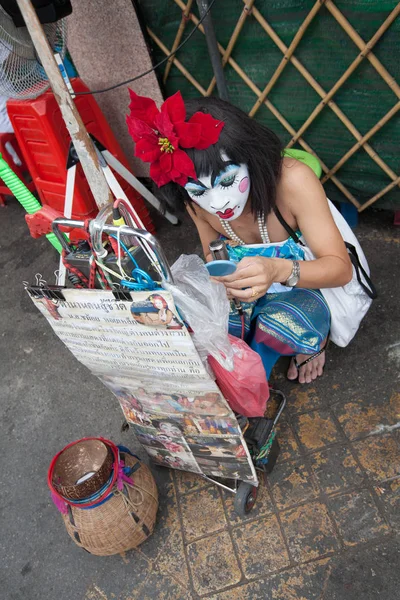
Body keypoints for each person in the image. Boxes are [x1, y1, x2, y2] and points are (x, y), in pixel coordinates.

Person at [126, 91, 354, 384]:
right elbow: (211, 252)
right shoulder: (195, 203)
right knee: (216, 326)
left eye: (228, 181)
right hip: (249, 287)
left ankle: (313, 341)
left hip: (311, 283)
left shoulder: (293, 181)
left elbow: (340, 269)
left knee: (280, 324)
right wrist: (223, 283)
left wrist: (277, 270)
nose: (218, 203)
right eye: (199, 191)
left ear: (250, 156)